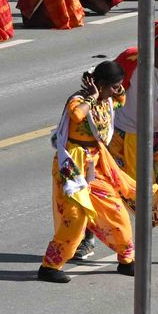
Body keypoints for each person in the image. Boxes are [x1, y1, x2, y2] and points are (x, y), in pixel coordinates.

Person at [41, 59, 137, 281]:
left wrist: (114, 90)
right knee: (76, 217)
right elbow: (77, 115)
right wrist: (92, 97)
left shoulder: (107, 100)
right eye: (114, 86)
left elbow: (121, 99)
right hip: (73, 164)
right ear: (100, 85)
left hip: (96, 163)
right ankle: (49, 267)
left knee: (116, 210)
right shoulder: (79, 100)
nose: (117, 91)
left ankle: (126, 260)